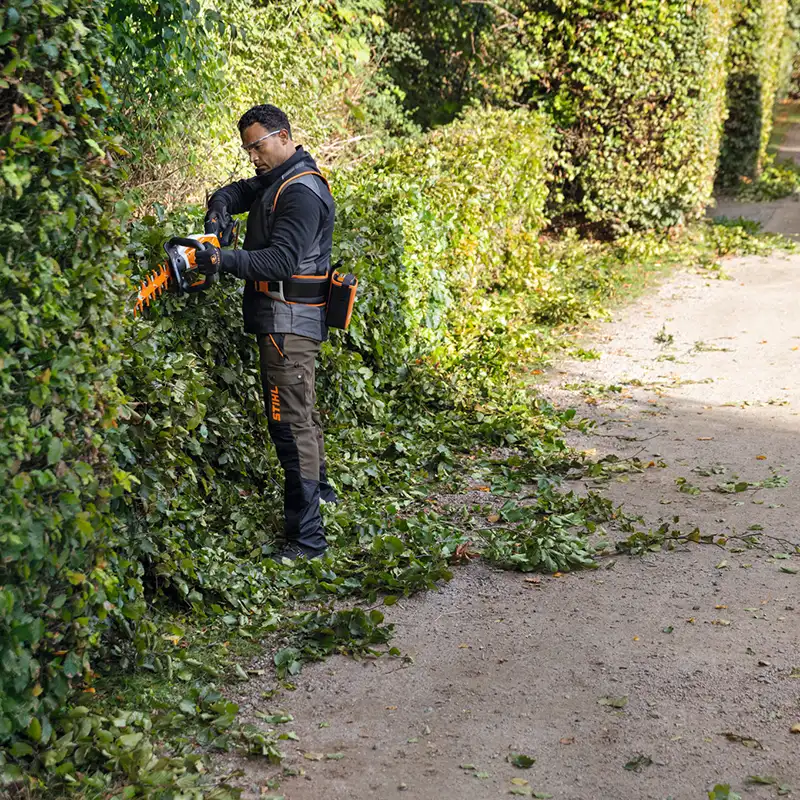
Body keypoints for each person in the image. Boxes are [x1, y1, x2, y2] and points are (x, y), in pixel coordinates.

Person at [196, 103, 336, 560]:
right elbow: (235, 192)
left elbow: (280, 262)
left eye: (256, 146)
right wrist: (218, 214)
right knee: (302, 421)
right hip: (283, 322)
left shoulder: (300, 192)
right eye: (247, 149)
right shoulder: (280, 177)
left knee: (290, 429)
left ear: (282, 136)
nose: (252, 157)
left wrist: (220, 259)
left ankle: (308, 539)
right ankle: (321, 497)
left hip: (288, 324)